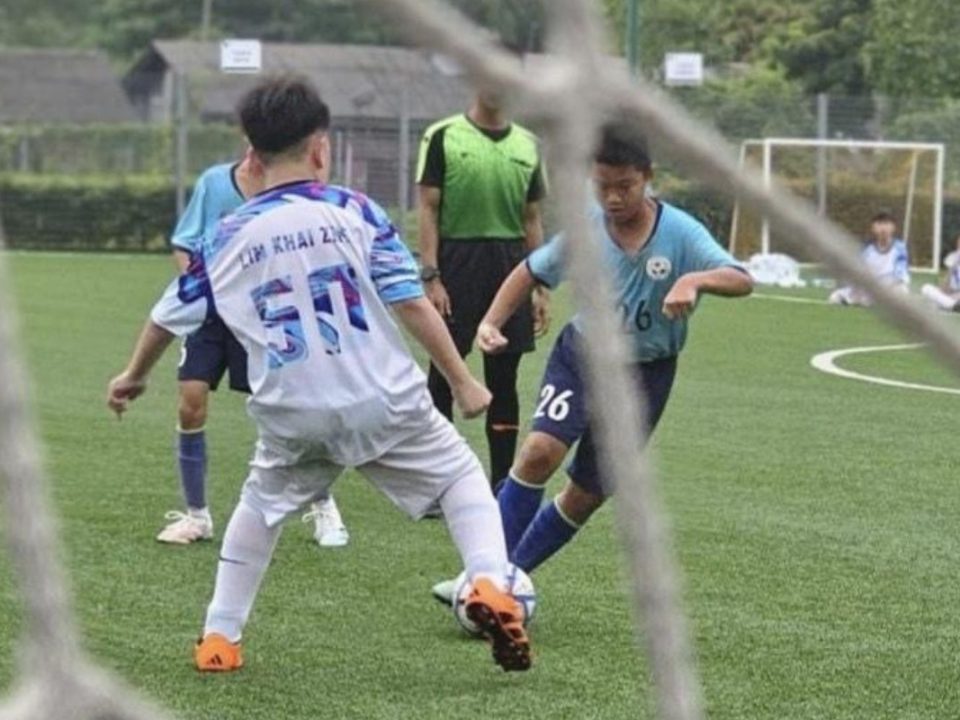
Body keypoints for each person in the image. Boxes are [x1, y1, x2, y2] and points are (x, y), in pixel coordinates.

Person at [106, 75, 531, 673]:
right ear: (322, 149)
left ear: (251, 156)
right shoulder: (354, 211)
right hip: (383, 398)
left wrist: (133, 375)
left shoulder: (226, 237)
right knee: (461, 477)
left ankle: (220, 639)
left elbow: (166, 316)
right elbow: (410, 301)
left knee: (258, 511)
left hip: (294, 410)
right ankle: (488, 579)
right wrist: (462, 380)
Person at [433, 121, 753, 601]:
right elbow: (530, 269)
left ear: (648, 177)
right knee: (540, 451)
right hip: (581, 358)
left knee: (585, 494)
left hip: (647, 374)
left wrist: (696, 281)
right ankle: (480, 578)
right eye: (602, 187)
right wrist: (490, 322)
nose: (614, 198)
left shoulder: (681, 232)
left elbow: (741, 277)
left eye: (625, 186)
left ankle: (501, 583)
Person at [159, 153, 349, 548]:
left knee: (289, 411)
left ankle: (323, 505)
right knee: (190, 399)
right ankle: (197, 517)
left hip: (268, 316)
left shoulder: (289, 186)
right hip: (212, 317)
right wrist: (201, 294)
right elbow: (184, 244)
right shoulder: (215, 181)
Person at [417, 86, 549, 489]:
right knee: (443, 373)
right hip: (457, 264)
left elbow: (531, 218)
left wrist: (540, 284)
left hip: (511, 267)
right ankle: (439, 482)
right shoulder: (442, 135)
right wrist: (431, 274)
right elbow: (427, 207)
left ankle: (501, 485)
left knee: (504, 378)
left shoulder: (528, 144)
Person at [828, 211, 910, 306]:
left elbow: (900, 272)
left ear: (893, 227)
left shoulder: (899, 247)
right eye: (879, 224)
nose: (883, 228)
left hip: (890, 287)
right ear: (873, 228)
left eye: (887, 224)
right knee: (835, 298)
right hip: (871, 287)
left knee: (901, 292)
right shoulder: (867, 249)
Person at [921, 235, 960, 312]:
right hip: (952, 297)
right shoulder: (953, 260)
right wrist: (952, 269)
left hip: (957, 297)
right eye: (958, 245)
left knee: (938, 303)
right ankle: (952, 305)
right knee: (926, 288)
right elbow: (945, 288)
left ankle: (949, 305)